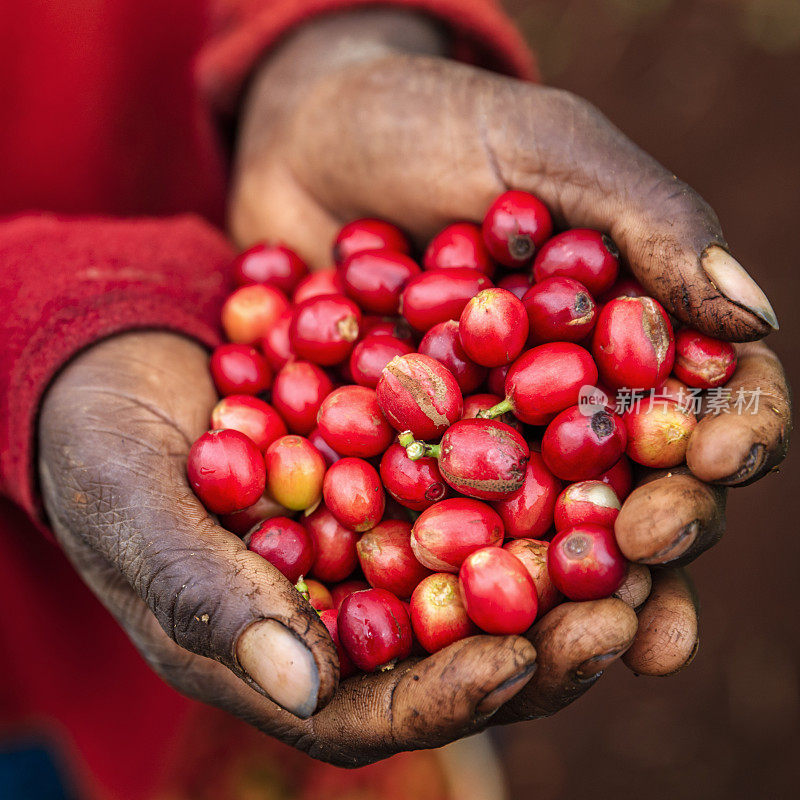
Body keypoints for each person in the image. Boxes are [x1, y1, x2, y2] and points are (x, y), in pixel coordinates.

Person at [0, 1, 791, 798]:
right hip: (31, 645)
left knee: (406, 702)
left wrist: (339, 39)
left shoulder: (442, 417)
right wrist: (31, 336)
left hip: (209, 270)